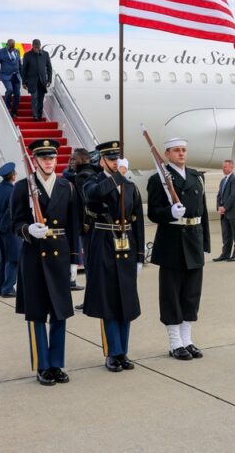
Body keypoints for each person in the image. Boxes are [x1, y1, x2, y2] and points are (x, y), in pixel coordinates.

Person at [10, 139, 79, 386]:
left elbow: (73, 226)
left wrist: (74, 260)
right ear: (35, 160)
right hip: (34, 256)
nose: (49, 161)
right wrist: (29, 229)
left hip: (59, 255)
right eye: (44, 158)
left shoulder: (67, 187)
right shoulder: (22, 187)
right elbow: (14, 223)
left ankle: (57, 364)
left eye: (52, 157)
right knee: (37, 313)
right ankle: (43, 365)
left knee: (60, 314)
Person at [82, 141, 145, 372]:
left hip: (126, 246)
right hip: (104, 244)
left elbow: (137, 220)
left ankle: (123, 352)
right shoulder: (93, 181)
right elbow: (94, 195)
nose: (115, 163)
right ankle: (112, 352)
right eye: (110, 159)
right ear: (102, 161)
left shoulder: (130, 187)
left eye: (117, 159)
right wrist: (117, 176)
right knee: (108, 301)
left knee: (125, 301)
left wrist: (140, 256)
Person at [147, 138, 210, 361]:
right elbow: (153, 212)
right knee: (171, 294)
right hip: (171, 241)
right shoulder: (159, 179)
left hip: (194, 239)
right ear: (167, 154)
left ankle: (188, 340)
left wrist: (206, 245)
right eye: (176, 150)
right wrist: (170, 213)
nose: (181, 154)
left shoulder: (196, 177)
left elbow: (203, 214)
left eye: (184, 150)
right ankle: (175, 342)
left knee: (191, 293)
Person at [63, 148, 96, 293]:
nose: (70, 162)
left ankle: (92, 298)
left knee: (90, 263)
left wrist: (86, 222)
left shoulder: (82, 176)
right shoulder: (92, 172)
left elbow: (86, 203)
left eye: (73, 159)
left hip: (87, 225)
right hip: (92, 224)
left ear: (83, 160)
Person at [0, 162, 19, 298]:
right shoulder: (13, 190)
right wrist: (2, 227)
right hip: (9, 229)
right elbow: (10, 213)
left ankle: (0, 288)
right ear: (12, 176)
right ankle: (7, 288)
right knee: (13, 259)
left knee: (3, 260)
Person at [214, 159, 235, 262]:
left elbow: (234, 195)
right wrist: (219, 207)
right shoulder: (223, 180)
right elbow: (219, 196)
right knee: (226, 235)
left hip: (234, 211)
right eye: (223, 167)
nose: (223, 169)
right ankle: (225, 254)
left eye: (225, 167)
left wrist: (225, 207)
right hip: (224, 212)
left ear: (232, 168)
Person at [21, 39, 52, 121]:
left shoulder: (45, 54)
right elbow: (24, 69)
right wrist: (24, 82)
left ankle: (39, 115)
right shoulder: (27, 55)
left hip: (42, 81)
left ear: (40, 46)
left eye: (37, 47)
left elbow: (49, 68)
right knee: (34, 98)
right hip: (32, 81)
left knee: (40, 99)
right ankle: (35, 116)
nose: (36, 49)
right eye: (35, 47)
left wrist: (49, 80)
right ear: (32, 46)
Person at [0, 39, 22, 117]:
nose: (12, 48)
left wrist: (23, 76)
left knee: (17, 94)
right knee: (9, 90)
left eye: (13, 47)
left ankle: (14, 112)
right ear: (7, 45)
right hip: (5, 75)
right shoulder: (0, 52)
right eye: (11, 47)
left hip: (16, 76)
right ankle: (6, 107)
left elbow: (20, 64)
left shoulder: (17, 51)